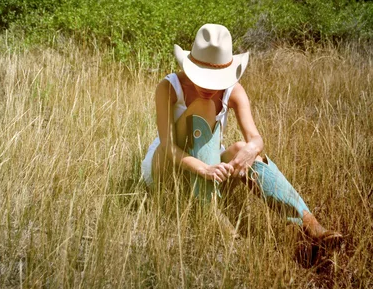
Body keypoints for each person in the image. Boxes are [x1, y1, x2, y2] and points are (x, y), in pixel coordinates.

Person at [141, 24, 343, 246]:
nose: (208, 86)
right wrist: (203, 168)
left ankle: (310, 224)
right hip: (168, 168)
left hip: (211, 170)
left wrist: (251, 149)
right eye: (203, 76)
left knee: (241, 148)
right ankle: (212, 216)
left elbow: (256, 138)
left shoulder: (234, 90)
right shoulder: (169, 87)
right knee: (204, 106)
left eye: (215, 77)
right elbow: (168, 146)